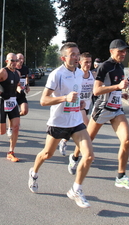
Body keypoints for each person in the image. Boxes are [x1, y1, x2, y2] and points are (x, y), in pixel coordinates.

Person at [28, 42, 94, 208]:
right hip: (58, 122)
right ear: (63, 57)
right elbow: (43, 100)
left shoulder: (80, 74)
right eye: (72, 54)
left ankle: (76, 190)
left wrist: (80, 104)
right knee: (47, 154)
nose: (76, 57)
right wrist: (64, 98)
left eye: (77, 54)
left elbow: (77, 95)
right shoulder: (57, 74)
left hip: (76, 121)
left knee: (89, 155)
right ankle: (34, 172)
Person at [70, 39, 129, 190]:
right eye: (120, 51)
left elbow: (114, 88)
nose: (123, 54)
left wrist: (121, 93)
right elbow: (97, 90)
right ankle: (74, 157)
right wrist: (117, 86)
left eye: (125, 51)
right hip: (102, 109)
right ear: (111, 51)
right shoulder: (104, 66)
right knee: (88, 139)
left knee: (126, 140)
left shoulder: (120, 66)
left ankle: (121, 176)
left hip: (116, 109)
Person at [58, 52, 95, 156]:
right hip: (77, 106)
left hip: (86, 105)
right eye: (86, 62)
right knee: (87, 126)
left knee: (73, 128)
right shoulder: (76, 75)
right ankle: (82, 153)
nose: (88, 64)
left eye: (90, 62)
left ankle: (64, 140)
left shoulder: (93, 75)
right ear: (80, 62)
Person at [6, 53, 30, 137]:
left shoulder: (25, 68)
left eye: (22, 59)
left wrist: (27, 86)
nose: (21, 60)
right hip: (13, 94)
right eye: (19, 59)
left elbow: (26, 77)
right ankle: (10, 128)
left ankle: (15, 117)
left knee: (24, 111)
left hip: (21, 93)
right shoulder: (13, 69)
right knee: (12, 111)